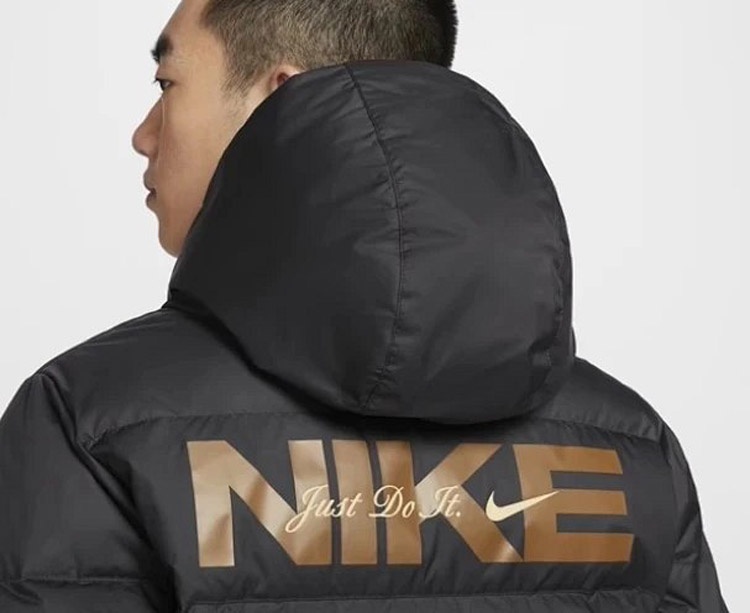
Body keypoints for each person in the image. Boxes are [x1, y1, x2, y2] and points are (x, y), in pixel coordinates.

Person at [0, 0, 730, 611]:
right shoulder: (631, 445)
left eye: (167, 82)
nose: (143, 133)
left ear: (279, 99)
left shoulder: (90, 422)